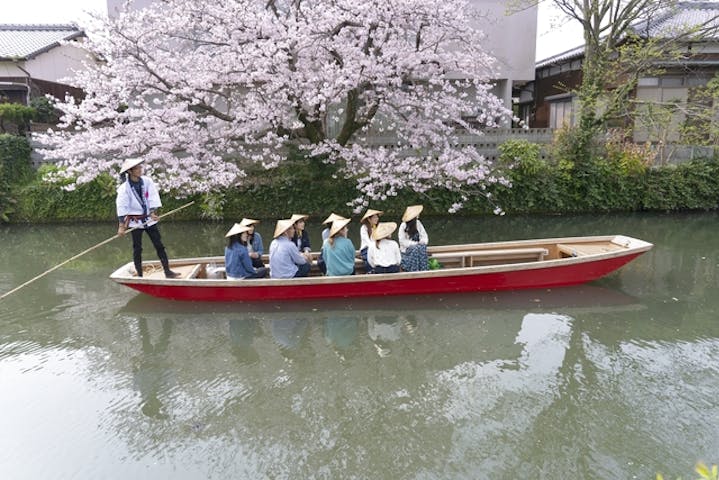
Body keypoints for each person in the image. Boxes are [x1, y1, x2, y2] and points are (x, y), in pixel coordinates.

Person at [116, 158, 180, 278]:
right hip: (135, 222)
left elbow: (152, 197)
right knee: (137, 248)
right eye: (137, 168)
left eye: (140, 167)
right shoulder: (124, 188)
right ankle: (140, 274)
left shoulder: (147, 181)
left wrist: (152, 212)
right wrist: (121, 226)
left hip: (149, 220)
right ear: (130, 171)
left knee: (159, 245)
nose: (141, 170)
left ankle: (167, 271)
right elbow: (122, 206)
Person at [398, 204, 429, 272]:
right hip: (408, 249)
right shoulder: (403, 226)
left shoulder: (418, 223)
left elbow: (424, 235)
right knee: (416, 249)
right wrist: (414, 244)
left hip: (419, 246)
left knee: (422, 247)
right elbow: (402, 241)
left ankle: (423, 270)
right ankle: (414, 270)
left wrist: (422, 241)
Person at [359, 208, 383, 273]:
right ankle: (370, 272)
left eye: (377, 217)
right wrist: (374, 248)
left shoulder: (378, 227)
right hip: (366, 249)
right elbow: (367, 241)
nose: (377, 218)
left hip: (377, 248)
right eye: (374, 217)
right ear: (369, 219)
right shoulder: (364, 228)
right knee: (368, 260)